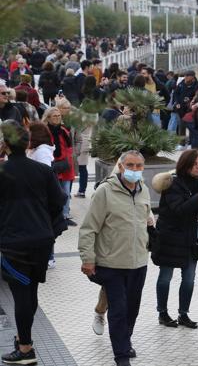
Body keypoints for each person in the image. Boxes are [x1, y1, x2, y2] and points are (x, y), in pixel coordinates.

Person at [0, 120, 67, 366]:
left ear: (5, 145)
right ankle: (23, 338)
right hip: (41, 241)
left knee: (21, 295)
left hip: (13, 243)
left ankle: (25, 348)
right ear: (27, 143)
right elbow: (59, 201)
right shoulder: (42, 171)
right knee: (31, 291)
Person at [79, 150, 152, 366]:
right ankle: (121, 354)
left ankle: (125, 341)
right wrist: (87, 258)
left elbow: (145, 222)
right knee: (118, 310)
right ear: (120, 166)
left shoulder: (144, 190)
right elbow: (88, 228)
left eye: (139, 166)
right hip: (112, 263)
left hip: (138, 262)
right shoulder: (105, 192)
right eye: (130, 165)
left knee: (132, 308)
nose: (135, 170)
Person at [151, 150, 198, 329]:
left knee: (189, 279)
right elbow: (179, 209)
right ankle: (162, 312)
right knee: (165, 277)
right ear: (185, 165)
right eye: (195, 164)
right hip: (170, 237)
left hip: (190, 238)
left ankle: (183, 313)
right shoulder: (172, 183)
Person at [43, 107, 76, 227]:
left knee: (66, 192)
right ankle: (53, 217)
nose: (57, 118)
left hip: (65, 165)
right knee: (52, 193)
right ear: (48, 118)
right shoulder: (44, 131)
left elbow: (69, 147)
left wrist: (68, 162)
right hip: (51, 166)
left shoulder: (64, 130)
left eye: (59, 116)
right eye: (54, 116)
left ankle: (65, 215)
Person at [171, 71, 198, 149]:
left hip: (190, 109)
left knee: (191, 127)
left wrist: (191, 102)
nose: (185, 77)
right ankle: (181, 143)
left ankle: (191, 143)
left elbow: (197, 96)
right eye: (185, 76)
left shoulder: (197, 85)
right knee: (181, 125)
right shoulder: (181, 83)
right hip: (180, 108)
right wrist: (177, 102)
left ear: (192, 76)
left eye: (187, 76)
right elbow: (175, 93)